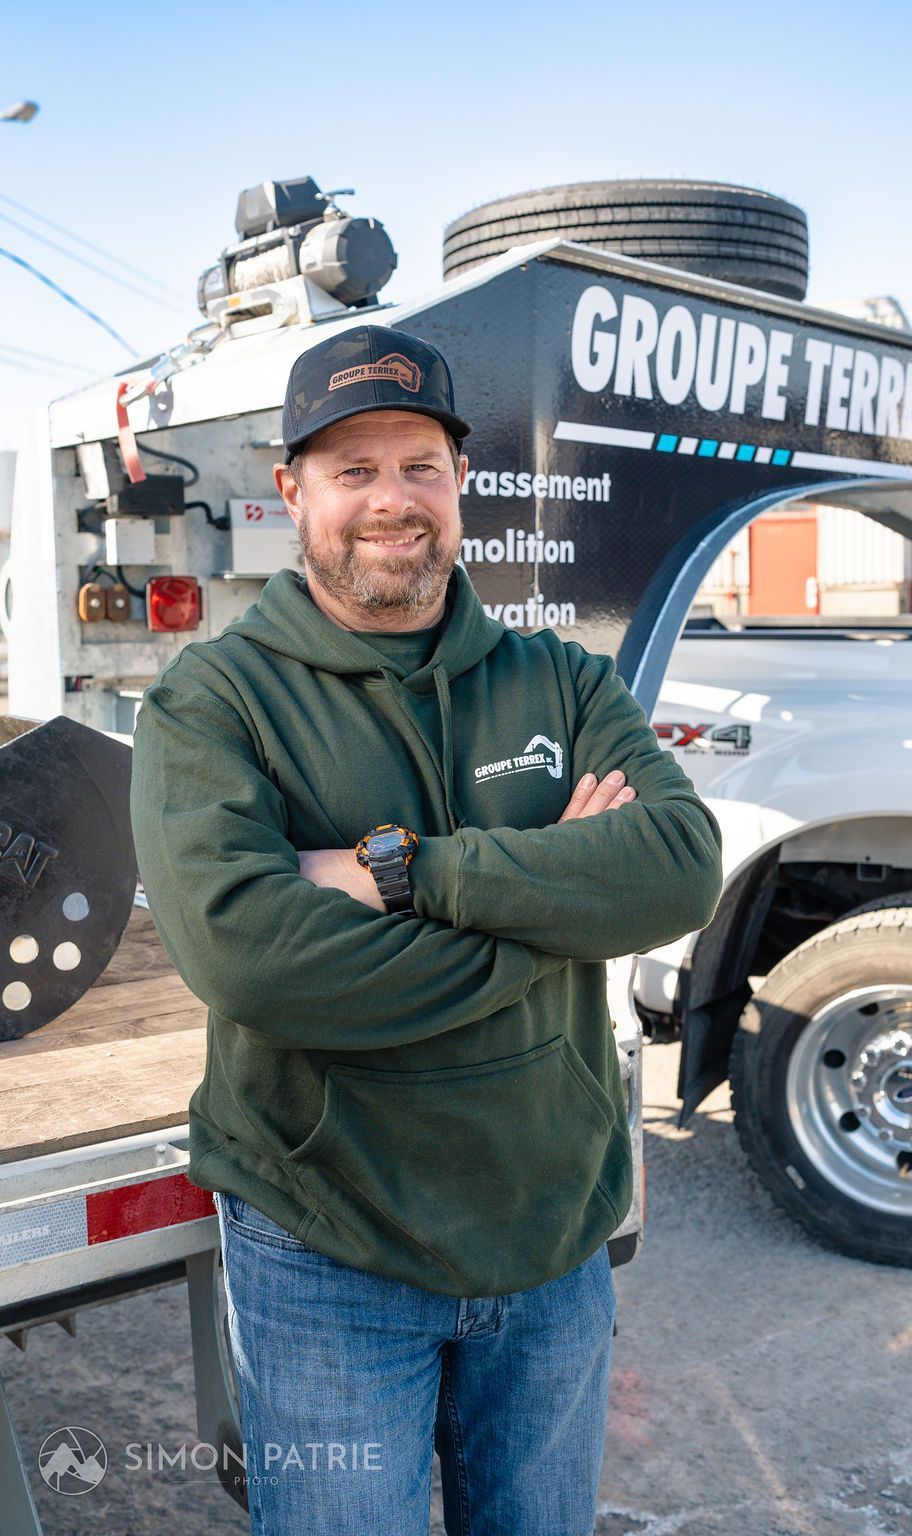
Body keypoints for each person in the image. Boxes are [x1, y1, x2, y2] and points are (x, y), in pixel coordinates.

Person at [129, 323, 723, 1536]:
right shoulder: (213, 702)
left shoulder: (563, 680)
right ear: (291, 492)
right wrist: (560, 903)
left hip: (552, 1235)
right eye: (352, 471)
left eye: (419, 465)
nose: (391, 501)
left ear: (461, 484)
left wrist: (402, 869)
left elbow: (675, 873)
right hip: (329, 1246)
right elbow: (256, 961)